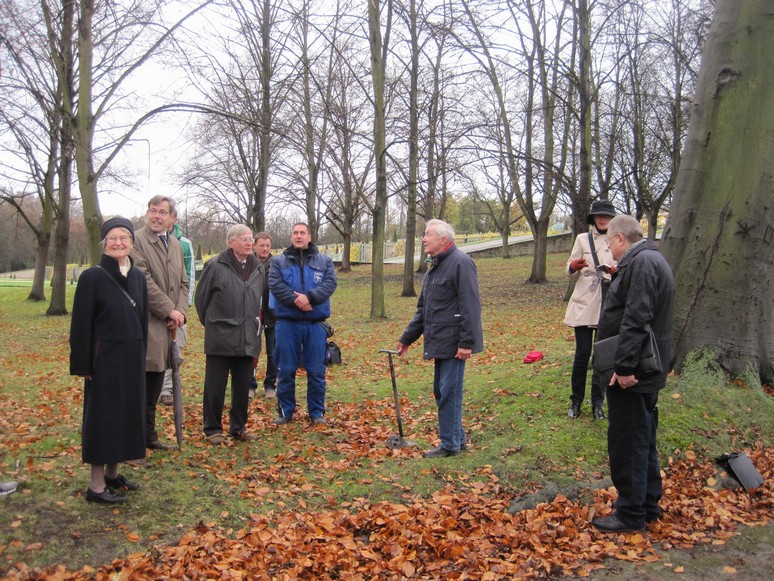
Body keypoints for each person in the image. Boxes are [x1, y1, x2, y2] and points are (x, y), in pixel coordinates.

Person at [590, 215, 675, 533]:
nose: (609, 249)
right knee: (642, 437)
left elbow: (637, 318)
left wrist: (623, 368)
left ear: (620, 239)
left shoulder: (640, 264)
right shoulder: (653, 259)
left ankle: (630, 512)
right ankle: (648, 503)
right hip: (647, 367)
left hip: (635, 371)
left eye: (609, 242)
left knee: (628, 441)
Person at [70, 217, 148, 504]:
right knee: (104, 419)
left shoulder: (137, 276)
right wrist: (82, 365)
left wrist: (143, 354)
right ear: (104, 243)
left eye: (124, 238)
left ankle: (114, 475)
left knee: (127, 415)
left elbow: (141, 321)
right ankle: (96, 485)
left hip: (131, 358)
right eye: (113, 238)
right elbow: (80, 324)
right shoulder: (93, 277)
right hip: (104, 360)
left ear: (131, 243)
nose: (118, 243)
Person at [396, 219, 484, 459]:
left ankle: (450, 444)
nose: (423, 238)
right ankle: (458, 438)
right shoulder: (434, 267)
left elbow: (471, 305)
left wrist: (467, 343)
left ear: (443, 240)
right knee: (441, 391)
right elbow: (423, 310)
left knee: (449, 392)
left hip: (456, 343)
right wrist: (406, 339)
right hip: (441, 341)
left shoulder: (461, 263)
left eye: (428, 234)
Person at [130, 196, 189, 451]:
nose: (156, 216)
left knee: (155, 386)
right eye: (152, 211)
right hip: (145, 325)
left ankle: (148, 437)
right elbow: (142, 280)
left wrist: (180, 312)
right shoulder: (136, 240)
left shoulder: (175, 244)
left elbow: (184, 283)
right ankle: (134, 440)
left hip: (169, 327)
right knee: (140, 387)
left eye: (162, 212)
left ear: (172, 218)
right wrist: (169, 310)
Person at [195, 224, 264, 444]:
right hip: (220, 335)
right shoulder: (215, 265)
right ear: (230, 242)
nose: (248, 243)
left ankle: (238, 427)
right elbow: (201, 301)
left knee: (243, 385)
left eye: (250, 239)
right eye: (243, 239)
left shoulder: (258, 267)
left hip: (247, 335)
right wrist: (215, 324)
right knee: (215, 386)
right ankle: (212, 429)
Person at [269, 222, 337, 425]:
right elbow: (275, 285)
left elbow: (330, 283)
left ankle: (317, 412)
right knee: (286, 369)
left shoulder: (324, 261)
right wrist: (296, 300)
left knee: (316, 371)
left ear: (309, 237)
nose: (298, 236)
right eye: (295, 233)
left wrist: (310, 297)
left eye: (302, 233)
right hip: (287, 323)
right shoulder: (278, 262)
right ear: (291, 237)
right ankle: (285, 411)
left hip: (315, 324)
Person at [563, 199, 617, 420]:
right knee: (582, 355)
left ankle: (598, 403)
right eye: (599, 215)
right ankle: (575, 402)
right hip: (585, 303)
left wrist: (615, 272)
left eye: (606, 215)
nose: (602, 219)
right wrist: (573, 267)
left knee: (602, 357)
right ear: (593, 218)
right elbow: (570, 268)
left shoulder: (618, 239)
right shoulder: (582, 239)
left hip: (607, 303)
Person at [160, 215, 195, 407]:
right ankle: (156, 387)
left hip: (179, 308)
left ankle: (167, 389)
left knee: (175, 349)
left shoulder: (184, 244)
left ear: (173, 217)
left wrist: (183, 308)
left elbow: (189, 276)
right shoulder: (142, 241)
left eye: (166, 213)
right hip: (155, 308)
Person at [248, 232, 278, 400]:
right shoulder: (248, 263)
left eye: (267, 245)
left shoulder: (277, 264)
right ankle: (249, 385)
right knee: (252, 351)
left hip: (273, 315)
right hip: (253, 314)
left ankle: (270, 385)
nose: (265, 248)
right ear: (255, 246)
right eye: (262, 245)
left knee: (273, 352)